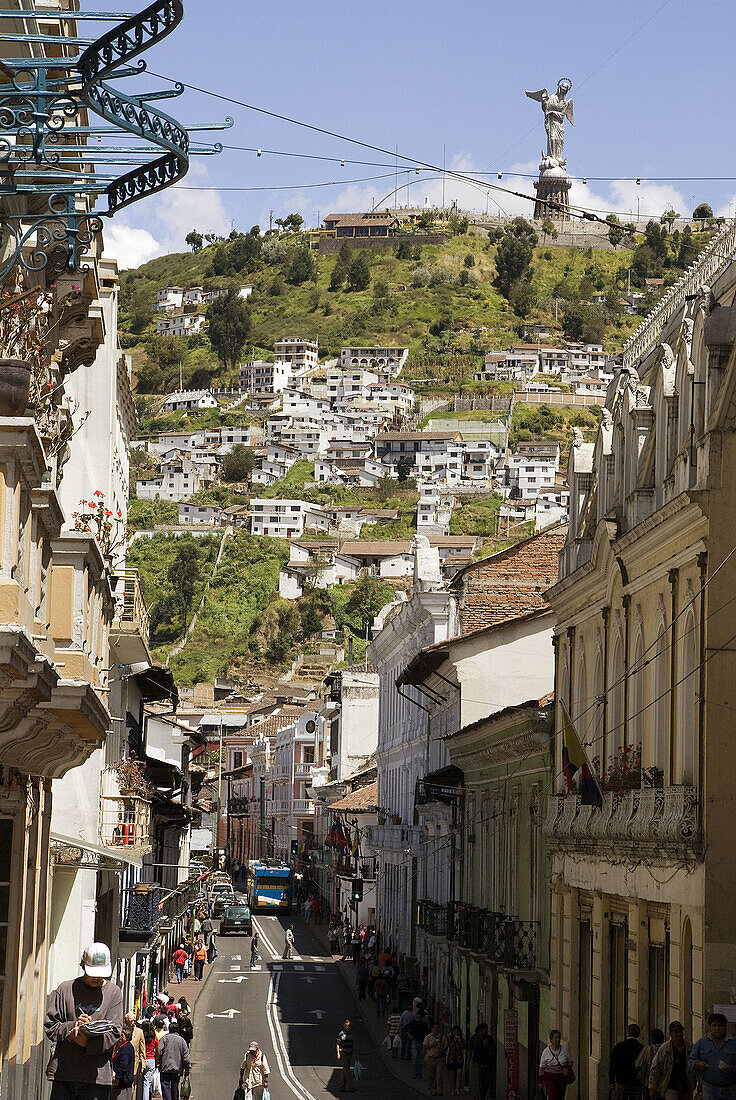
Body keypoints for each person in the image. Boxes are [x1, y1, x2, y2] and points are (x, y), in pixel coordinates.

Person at [44, 941, 123, 1099]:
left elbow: (115, 1032)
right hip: (65, 1075)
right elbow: (50, 1026)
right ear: (83, 966)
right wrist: (73, 1028)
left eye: (101, 974)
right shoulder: (64, 990)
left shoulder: (113, 993)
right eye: (92, 973)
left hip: (97, 1079)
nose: (97, 978)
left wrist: (87, 1043)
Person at [689, 1013, 736, 1100]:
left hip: (731, 1088)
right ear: (710, 1027)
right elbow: (691, 1060)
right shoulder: (702, 1043)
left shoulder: (733, 1043)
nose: (717, 1028)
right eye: (714, 1025)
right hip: (710, 1088)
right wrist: (698, 1064)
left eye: (720, 1026)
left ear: (725, 1027)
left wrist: (732, 1068)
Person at [649, 1020, 693, 1100]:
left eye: (680, 1032)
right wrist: (652, 1087)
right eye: (676, 1032)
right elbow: (656, 1068)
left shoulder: (689, 1048)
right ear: (670, 1034)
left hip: (686, 1087)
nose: (679, 1034)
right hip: (670, 1086)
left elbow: (696, 1067)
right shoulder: (665, 1049)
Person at [158, 1017, 190, 1100]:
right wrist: (187, 1068)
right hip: (176, 1068)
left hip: (165, 1067)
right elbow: (186, 1056)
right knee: (175, 1087)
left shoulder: (164, 1039)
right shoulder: (182, 1041)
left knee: (165, 1087)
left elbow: (158, 1051)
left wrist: (158, 1062)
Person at [610, 1023, 644, 1100]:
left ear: (627, 1033)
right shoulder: (642, 1048)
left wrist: (611, 1080)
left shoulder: (619, 1046)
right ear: (638, 1034)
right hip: (636, 1082)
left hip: (622, 1080)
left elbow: (613, 1064)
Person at [539, 1029, 574, 1100]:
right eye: (555, 1038)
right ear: (551, 1040)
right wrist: (540, 1082)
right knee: (552, 1096)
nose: (557, 1040)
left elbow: (570, 1061)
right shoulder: (546, 1051)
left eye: (559, 1038)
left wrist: (567, 1068)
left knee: (560, 1096)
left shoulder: (564, 1050)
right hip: (550, 1078)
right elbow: (542, 1067)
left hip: (561, 1078)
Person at [468, 1022, 494, 1100]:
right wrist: (468, 1063)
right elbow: (470, 1050)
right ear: (481, 1030)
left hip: (486, 1064)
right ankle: (479, 1097)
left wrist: (488, 1046)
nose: (487, 1031)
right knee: (478, 1083)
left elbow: (493, 1049)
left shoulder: (488, 1038)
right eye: (485, 1029)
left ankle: (482, 1096)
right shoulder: (474, 1038)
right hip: (477, 1063)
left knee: (486, 1083)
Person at [635, 1028, 664, 1095]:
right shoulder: (666, 1049)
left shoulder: (647, 1050)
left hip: (648, 1084)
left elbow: (637, 1064)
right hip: (663, 1085)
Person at [406, 1004, 430, 1081]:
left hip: (422, 1043)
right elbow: (405, 1028)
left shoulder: (424, 1025)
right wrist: (409, 1035)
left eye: (420, 1017)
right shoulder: (413, 1023)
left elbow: (427, 1033)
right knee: (415, 1058)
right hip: (415, 1042)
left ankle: (419, 1074)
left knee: (420, 1059)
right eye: (417, 1017)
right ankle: (414, 1074)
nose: (418, 1019)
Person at [124, 1012, 145, 1098]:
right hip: (123, 1061)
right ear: (126, 1022)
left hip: (134, 1063)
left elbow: (142, 1049)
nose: (132, 1023)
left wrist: (143, 1064)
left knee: (132, 1084)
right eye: (130, 1021)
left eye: (134, 1021)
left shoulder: (139, 1032)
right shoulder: (123, 1031)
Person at [423, 1022, 447, 1096]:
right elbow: (424, 1047)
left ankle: (439, 1090)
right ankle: (432, 1090)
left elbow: (446, 1045)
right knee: (431, 1075)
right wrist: (432, 1045)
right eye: (435, 1027)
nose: (437, 1029)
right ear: (432, 1028)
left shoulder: (442, 1037)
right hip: (431, 1058)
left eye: (438, 1027)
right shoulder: (428, 1037)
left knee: (439, 1074)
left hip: (440, 1058)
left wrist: (442, 1050)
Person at [111, 1025, 135, 1100]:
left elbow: (123, 1065)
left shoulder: (126, 1048)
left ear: (122, 1035)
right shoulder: (123, 1047)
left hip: (122, 1084)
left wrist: (118, 1079)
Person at [140, 1019, 158, 1100]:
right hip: (151, 1060)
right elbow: (158, 1050)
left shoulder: (141, 1036)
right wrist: (157, 1061)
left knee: (139, 1083)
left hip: (141, 1060)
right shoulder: (154, 1038)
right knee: (147, 1083)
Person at [337, 1020, 356, 1092]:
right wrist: (338, 1054)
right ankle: (349, 1086)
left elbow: (352, 1045)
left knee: (345, 1070)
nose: (348, 1027)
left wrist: (354, 1054)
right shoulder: (342, 1034)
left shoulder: (350, 1034)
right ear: (344, 1026)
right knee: (347, 1071)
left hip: (350, 1053)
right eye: (347, 1026)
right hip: (344, 1054)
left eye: (349, 1026)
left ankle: (341, 1086)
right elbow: (338, 1044)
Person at [445, 1025, 466, 1096]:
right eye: (455, 1031)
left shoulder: (462, 1039)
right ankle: (452, 1088)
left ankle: (457, 1088)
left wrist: (460, 1041)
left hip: (459, 1058)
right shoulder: (449, 1038)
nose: (456, 1032)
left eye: (457, 1031)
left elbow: (463, 1047)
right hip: (451, 1058)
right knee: (451, 1074)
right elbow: (448, 1046)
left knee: (459, 1073)